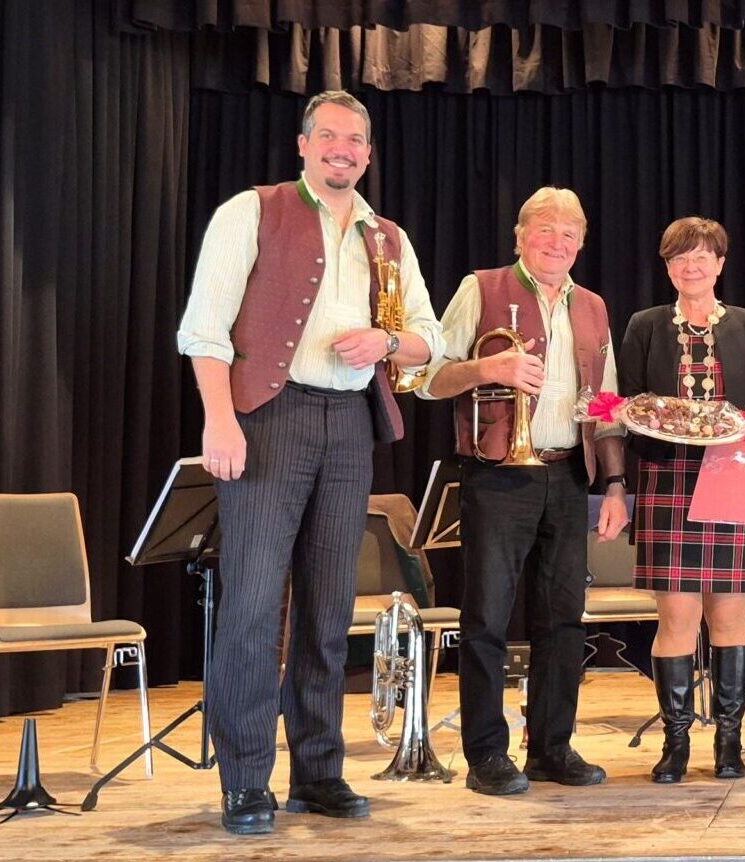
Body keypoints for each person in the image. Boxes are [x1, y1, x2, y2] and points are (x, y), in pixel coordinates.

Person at [177, 90, 443, 834]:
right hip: (269, 417)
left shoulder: (386, 237)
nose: (341, 148)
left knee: (329, 610)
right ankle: (244, 781)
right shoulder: (252, 210)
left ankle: (318, 772)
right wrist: (221, 419)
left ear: (368, 154)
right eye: (328, 135)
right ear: (303, 144)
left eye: (354, 140)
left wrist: (386, 342)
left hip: (350, 423)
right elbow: (204, 329)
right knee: (254, 607)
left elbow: (429, 337)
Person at [418, 187, 628, 796]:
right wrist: (489, 369)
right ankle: (486, 754)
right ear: (520, 237)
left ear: (581, 244)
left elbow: (606, 406)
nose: (557, 242)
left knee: (563, 620)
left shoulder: (593, 306)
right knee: (486, 617)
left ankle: (551, 748)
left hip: (568, 474)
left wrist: (615, 484)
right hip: (497, 474)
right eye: (545, 229)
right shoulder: (480, 288)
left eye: (569, 233)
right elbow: (428, 378)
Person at [619, 216, 745, 783]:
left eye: (702, 256)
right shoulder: (644, 325)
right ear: (668, 268)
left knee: (730, 616)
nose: (691, 266)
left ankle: (730, 743)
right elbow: (631, 404)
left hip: (733, 477)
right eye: (680, 258)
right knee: (677, 620)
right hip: (667, 480)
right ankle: (677, 744)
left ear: (720, 264)